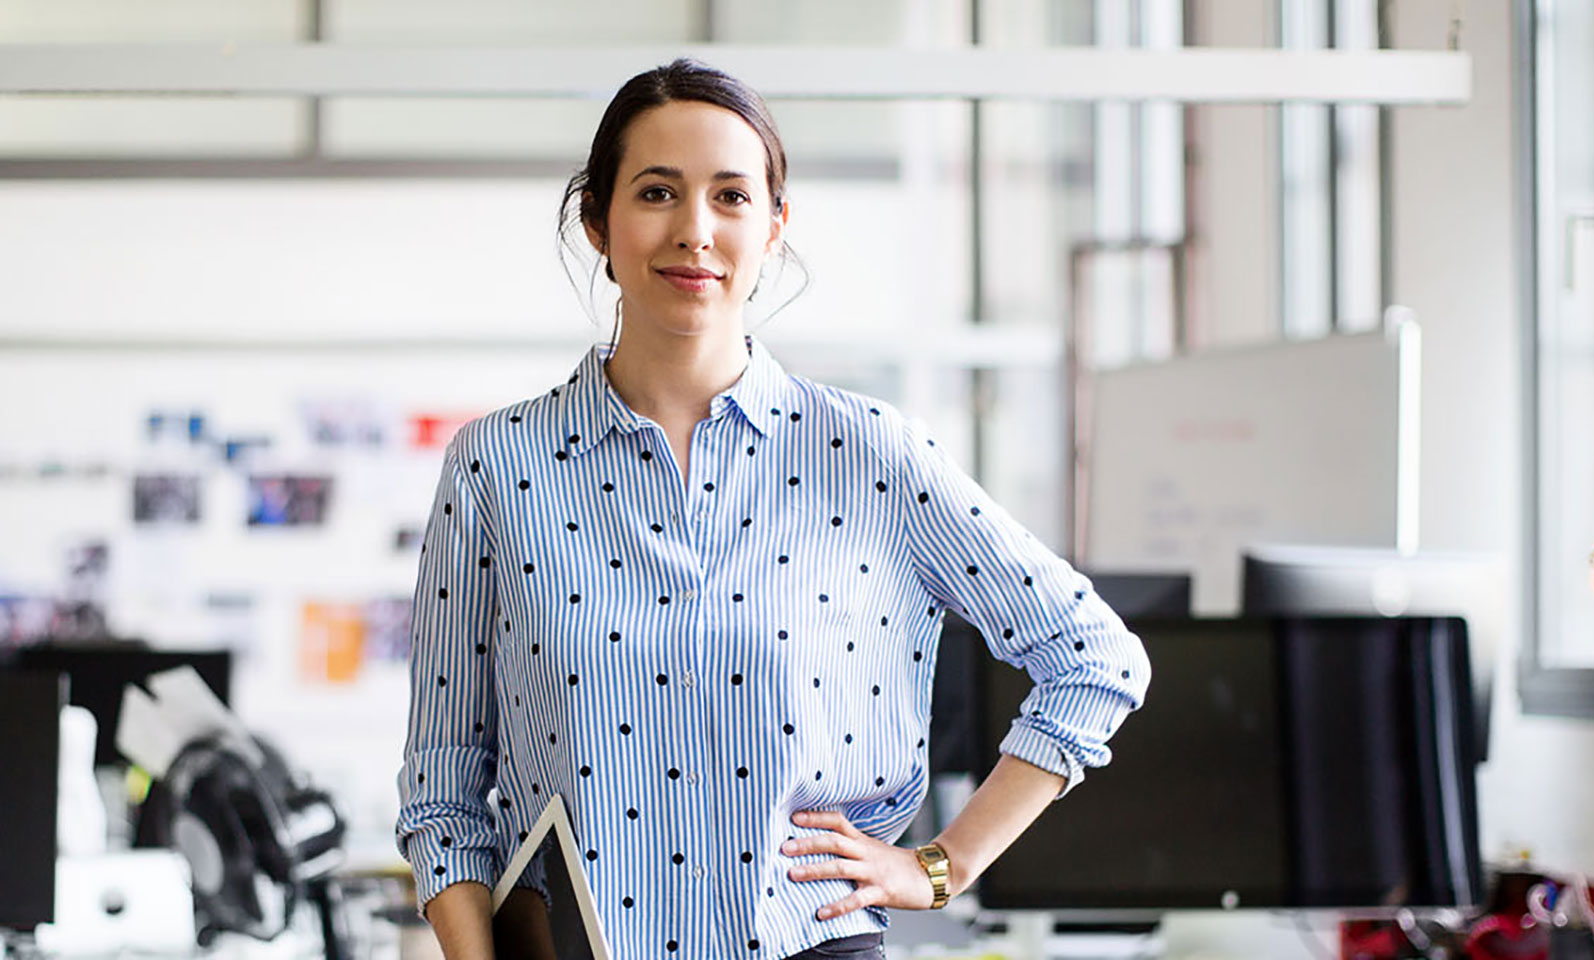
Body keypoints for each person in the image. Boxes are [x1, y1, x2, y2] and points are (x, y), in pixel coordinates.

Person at [394, 58, 1151, 960]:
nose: (695, 231)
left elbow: (1095, 658)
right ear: (598, 220)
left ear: (775, 225)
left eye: (730, 197)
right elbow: (443, 784)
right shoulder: (497, 469)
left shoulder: (868, 454)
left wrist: (943, 865)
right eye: (657, 192)